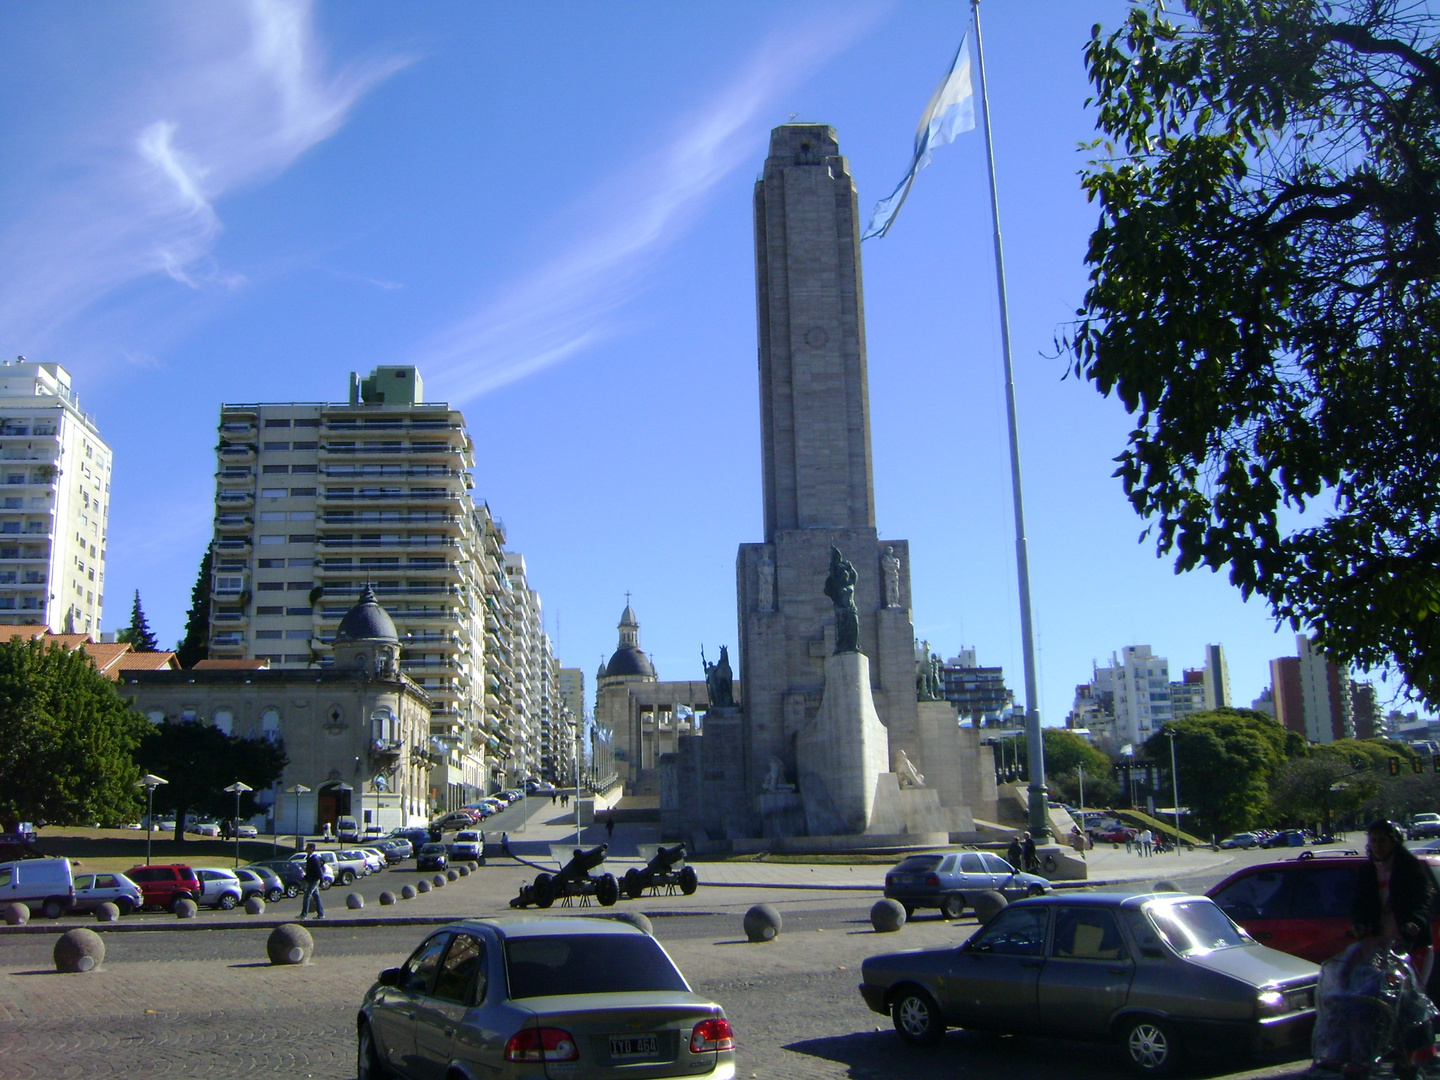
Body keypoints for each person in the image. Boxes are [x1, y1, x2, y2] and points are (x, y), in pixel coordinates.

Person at [299, 842, 326, 921]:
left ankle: (304, 915)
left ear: (311, 849)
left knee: (307, 896)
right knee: (316, 897)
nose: (306, 849)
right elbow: (310, 871)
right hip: (312, 879)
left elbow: (318, 871)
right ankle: (321, 914)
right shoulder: (310, 857)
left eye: (307, 848)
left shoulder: (314, 859)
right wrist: (306, 877)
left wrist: (322, 881)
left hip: (314, 880)